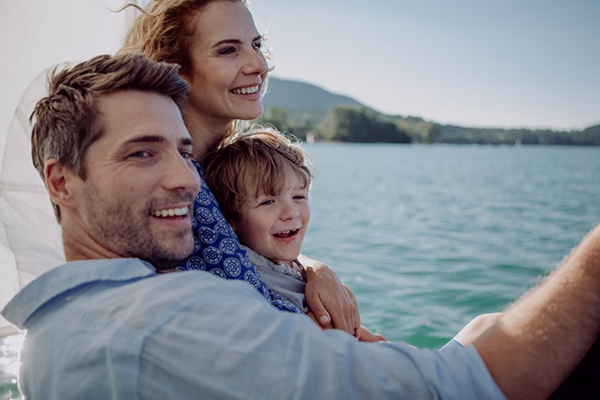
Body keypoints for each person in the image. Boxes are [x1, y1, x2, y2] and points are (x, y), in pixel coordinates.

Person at [4, 53, 600, 399]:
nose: (187, 180)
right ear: (61, 182)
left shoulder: (59, 328)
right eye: (142, 153)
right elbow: (461, 389)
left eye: (184, 153)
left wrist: (312, 268)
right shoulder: (163, 319)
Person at [120, 0, 360, 333]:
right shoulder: (175, 182)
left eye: (257, 45)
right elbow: (257, 318)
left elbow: (246, 254)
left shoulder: (224, 165)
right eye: (228, 50)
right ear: (175, 68)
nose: (259, 64)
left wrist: (314, 269)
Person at [202, 127, 386, 342]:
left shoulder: (289, 264)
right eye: (268, 202)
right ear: (231, 219)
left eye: (299, 196)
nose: (291, 213)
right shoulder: (252, 274)